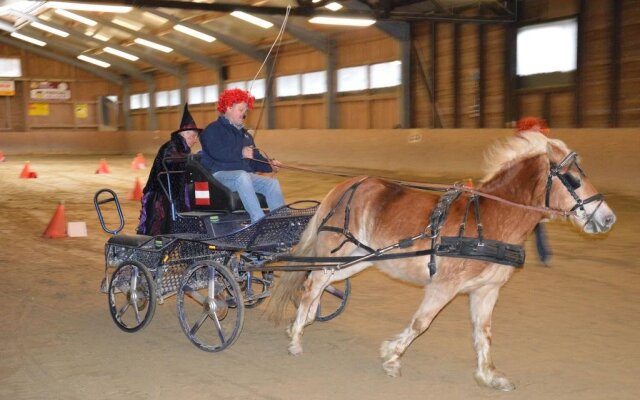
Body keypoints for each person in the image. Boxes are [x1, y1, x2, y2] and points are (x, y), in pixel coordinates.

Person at [199, 88, 285, 223]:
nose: (244, 115)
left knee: (272, 184)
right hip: (218, 176)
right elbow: (217, 152)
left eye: (245, 112)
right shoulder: (212, 130)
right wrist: (241, 152)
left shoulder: (246, 136)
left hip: (243, 176)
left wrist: (270, 165)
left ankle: (280, 222)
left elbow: (255, 159)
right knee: (242, 176)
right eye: (240, 110)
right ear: (228, 108)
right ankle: (258, 220)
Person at [136, 103, 201, 235]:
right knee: (159, 231)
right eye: (194, 136)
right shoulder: (172, 146)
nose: (195, 140)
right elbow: (171, 161)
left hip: (172, 194)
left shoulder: (181, 147)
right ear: (186, 134)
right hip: (161, 197)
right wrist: (192, 159)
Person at [516, 116, 552, 266]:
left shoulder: (540, 144)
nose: (539, 130)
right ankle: (519, 254)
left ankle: (544, 255)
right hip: (523, 193)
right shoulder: (521, 146)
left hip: (534, 192)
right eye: (535, 128)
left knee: (537, 225)